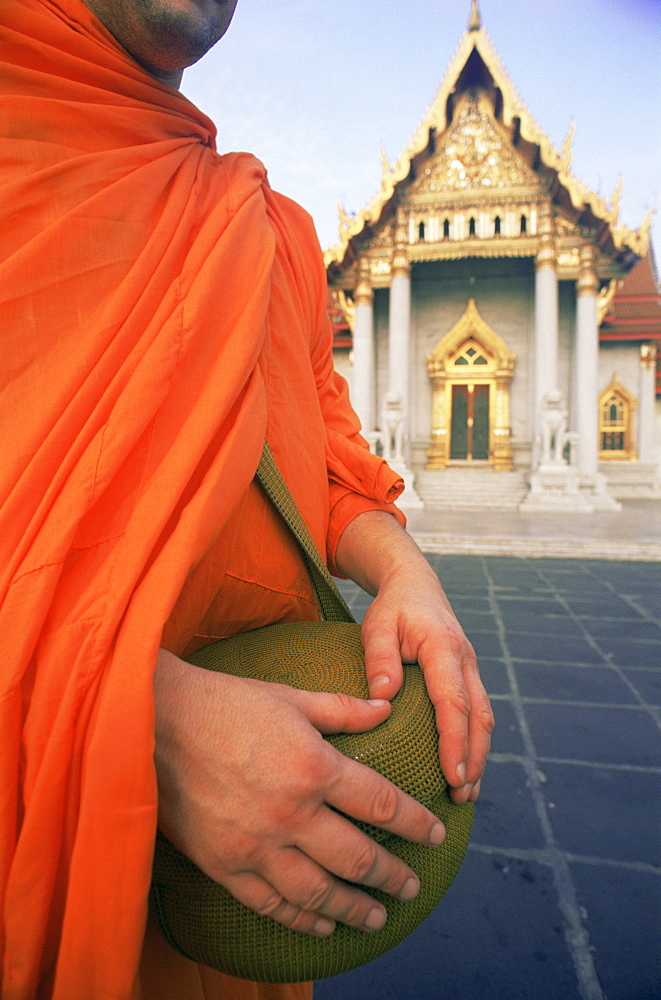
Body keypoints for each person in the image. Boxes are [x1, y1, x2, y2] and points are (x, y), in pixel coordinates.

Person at [0, 1, 494, 998]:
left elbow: (324, 460)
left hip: (249, 902)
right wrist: (134, 717)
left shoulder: (262, 229)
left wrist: (404, 575)